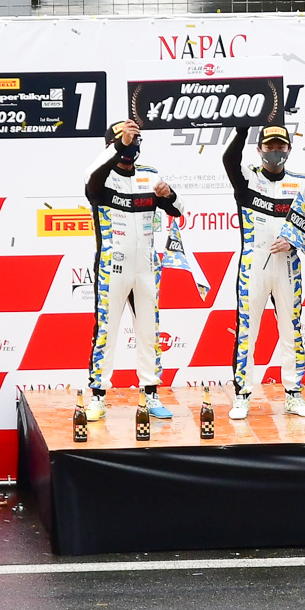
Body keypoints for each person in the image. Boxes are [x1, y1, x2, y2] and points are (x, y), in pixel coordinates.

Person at [83, 119, 181, 420]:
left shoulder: (149, 175)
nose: (130, 146)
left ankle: (150, 393)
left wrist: (168, 194)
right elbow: (91, 187)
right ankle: (98, 396)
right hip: (112, 267)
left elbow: (177, 210)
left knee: (149, 332)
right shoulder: (101, 176)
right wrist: (119, 146)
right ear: (111, 146)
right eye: (124, 140)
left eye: (135, 140)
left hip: (146, 268)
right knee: (106, 331)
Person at [222, 124, 305, 421]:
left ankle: (293, 394)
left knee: (292, 330)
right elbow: (228, 160)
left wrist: (294, 241)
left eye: (280, 146)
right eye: (269, 146)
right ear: (259, 149)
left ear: (289, 149)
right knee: (247, 331)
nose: (275, 151)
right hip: (253, 264)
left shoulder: (302, 184)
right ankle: (242, 395)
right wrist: (242, 130)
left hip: (287, 265)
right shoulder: (248, 178)